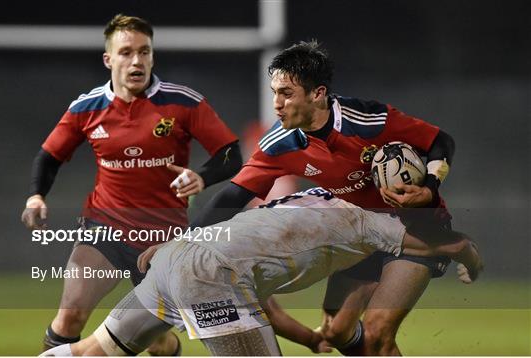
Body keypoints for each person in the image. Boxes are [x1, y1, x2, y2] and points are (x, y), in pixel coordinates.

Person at [190, 40, 461, 355]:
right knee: (335, 332)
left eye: (286, 93)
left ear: (317, 93)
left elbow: (441, 141)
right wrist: (183, 242)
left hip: (418, 230)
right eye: (274, 92)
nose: (276, 103)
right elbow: (234, 194)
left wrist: (428, 187)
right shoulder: (280, 143)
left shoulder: (366, 121)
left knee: (376, 333)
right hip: (363, 235)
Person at [21, 14, 242, 355]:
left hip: (163, 237)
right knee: (70, 316)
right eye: (126, 52)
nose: (137, 60)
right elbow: (49, 156)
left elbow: (231, 154)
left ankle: (166, 343)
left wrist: (203, 175)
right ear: (109, 59)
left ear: (152, 56)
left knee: (155, 341)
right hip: (106, 227)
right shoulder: (87, 107)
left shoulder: (182, 102)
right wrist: (37, 195)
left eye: (144, 51)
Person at [40, 187, 482, 356]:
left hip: (180, 257)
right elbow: (443, 243)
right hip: (208, 275)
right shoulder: (371, 222)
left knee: (93, 351)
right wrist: (468, 257)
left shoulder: (314, 196)